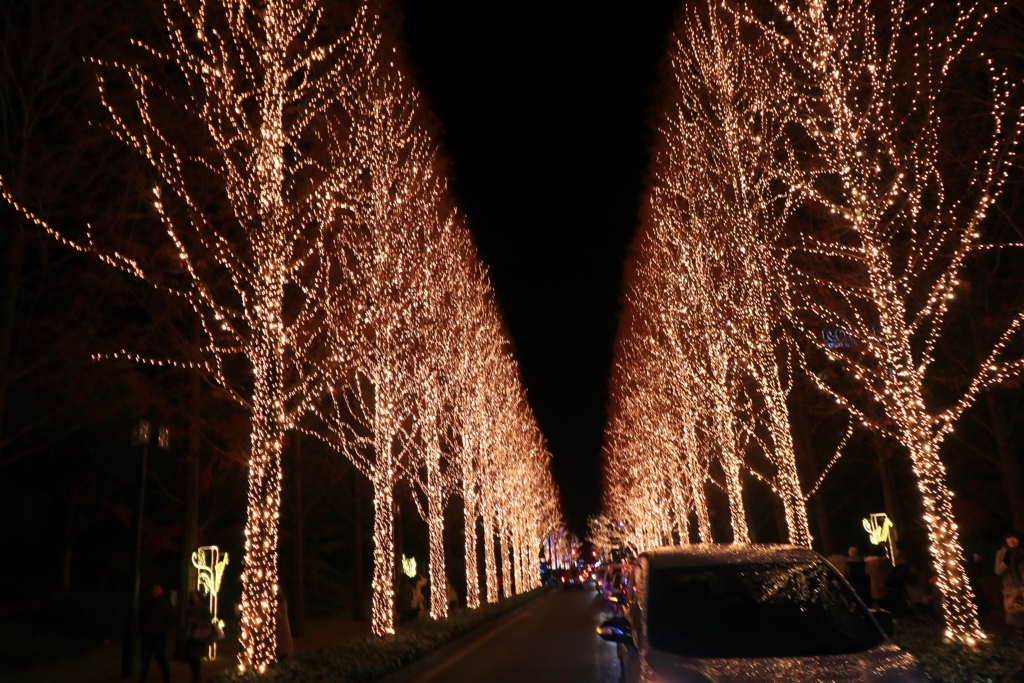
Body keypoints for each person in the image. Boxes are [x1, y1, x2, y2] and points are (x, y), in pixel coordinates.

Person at [139, 583, 175, 683]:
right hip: (148, 637)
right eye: (153, 588)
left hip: (159, 636)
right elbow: (141, 617)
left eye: (157, 588)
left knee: (160, 659)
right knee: (145, 661)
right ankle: (142, 680)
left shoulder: (165, 603)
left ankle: (166, 678)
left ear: (160, 591)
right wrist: (143, 629)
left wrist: (163, 626)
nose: (154, 590)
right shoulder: (147, 603)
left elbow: (173, 618)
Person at [995, 530, 1024, 633]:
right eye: (1009, 538)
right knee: (1012, 617)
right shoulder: (1001, 553)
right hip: (1009, 589)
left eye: (1015, 538)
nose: (1012, 540)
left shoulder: (1021, 553)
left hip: (1021, 588)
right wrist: (1007, 561)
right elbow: (998, 571)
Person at [184, 590, 212, 682]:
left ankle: (197, 675)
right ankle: (195, 675)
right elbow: (185, 620)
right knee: (191, 657)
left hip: (200, 635)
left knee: (196, 656)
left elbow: (208, 620)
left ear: (199, 597)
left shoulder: (204, 608)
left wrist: (198, 621)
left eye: (195, 596)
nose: (194, 598)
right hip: (190, 634)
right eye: (192, 596)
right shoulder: (189, 608)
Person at [277, 592, 294, 658]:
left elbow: (277, 617)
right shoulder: (283, 601)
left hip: (280, 627)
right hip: (285, 624)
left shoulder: (277, 603)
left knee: (282, 646)